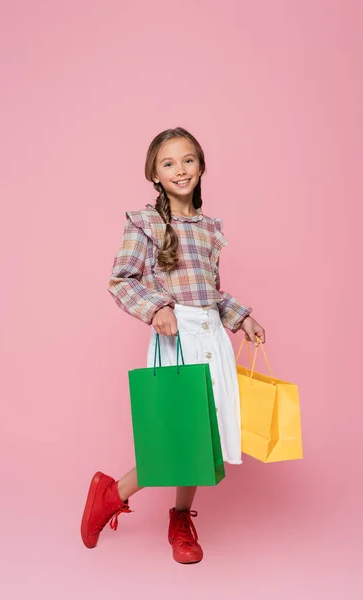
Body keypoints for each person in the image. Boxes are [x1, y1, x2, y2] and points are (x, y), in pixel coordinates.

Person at [80, 127, 265, 564]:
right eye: (168, 163)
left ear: (201, 167)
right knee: (178, 434)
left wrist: (242, 318)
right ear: (155, 174)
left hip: (211, 337)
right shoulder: (144, 223)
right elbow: (119, 279)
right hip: (176, 335)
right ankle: (110, 493)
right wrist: (155, 309)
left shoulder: (209, 229)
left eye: (187, 160)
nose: (180, 170)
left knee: (206, 435)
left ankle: (180, 518)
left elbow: (211, 292)